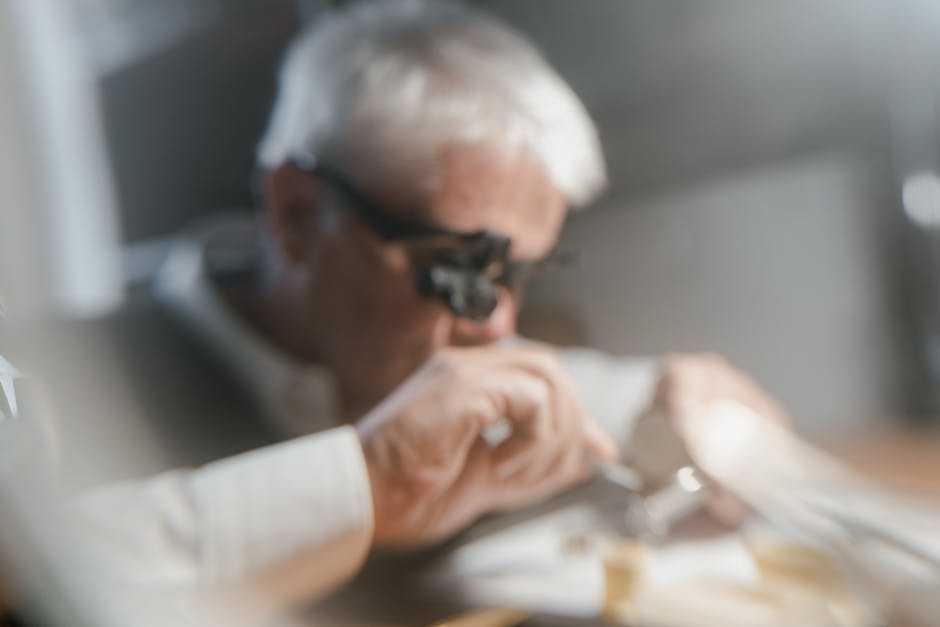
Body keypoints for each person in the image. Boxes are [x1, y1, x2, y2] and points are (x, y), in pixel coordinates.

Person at [45, 0, 788, 618]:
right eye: (460, 270)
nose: (497, 323)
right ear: (299, 215)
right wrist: (364, 482)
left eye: (522, 273)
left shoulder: (440, 342)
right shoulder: (55, 380)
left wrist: (684, 399)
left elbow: (619, 398)